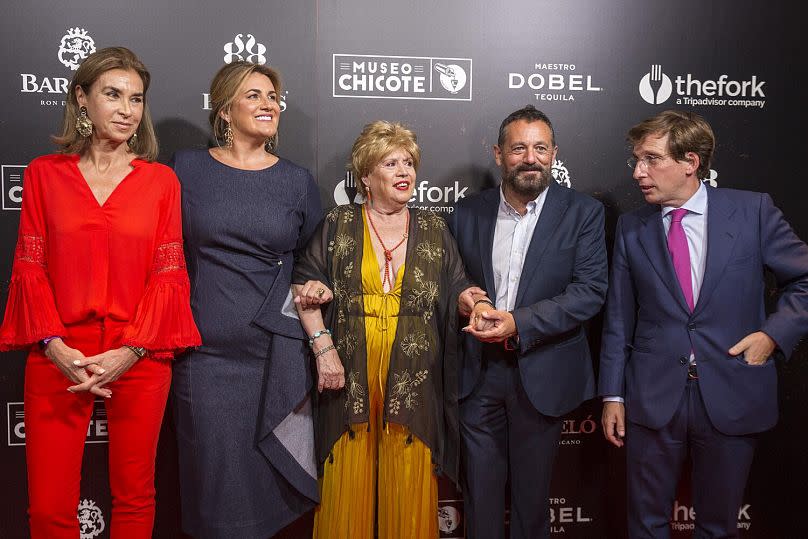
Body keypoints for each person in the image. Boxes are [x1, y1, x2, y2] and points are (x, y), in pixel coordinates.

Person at [0, 47, 201, 538]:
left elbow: (168, 275)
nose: (127, 109)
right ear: (82, 100)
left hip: (140, 352)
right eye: (112, 94)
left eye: (136, 99)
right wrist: (53, 346)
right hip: (58, 351)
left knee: (135, 497)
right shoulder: (44, 174)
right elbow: (30, 267)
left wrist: (131, 351)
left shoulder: (160, 182)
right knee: (48, 509)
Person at [599, 109, 808, 538]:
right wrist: (613, 395)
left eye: (651, 159)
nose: (639, 172)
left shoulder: (753, 212)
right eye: (636, 160)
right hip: (653, 399)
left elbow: (804, 279)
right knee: (645, 526)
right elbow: (619, 318)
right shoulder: (631, 228)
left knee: (718, 527)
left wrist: (772, 335)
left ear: (690, 162)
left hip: (732, 390)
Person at [292, 120, 489, 538]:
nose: (404, 172)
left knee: (409, 473)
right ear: (366, 176)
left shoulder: (433, 227)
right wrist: (321, 342)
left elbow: (456, 283)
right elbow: (304, 286)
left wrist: (476, 301)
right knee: (347, 475)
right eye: (390, 163)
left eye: (409, 163)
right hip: (349, 372)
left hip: (414, 373)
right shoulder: (338, 222)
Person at [170, 61, 322, 539]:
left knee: (270, 485)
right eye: (254, 95)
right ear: (224, 109)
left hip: (277, 354)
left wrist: (316, 290)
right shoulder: (186, 169)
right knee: (215, 488)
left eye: (273, 96)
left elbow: (312, 264)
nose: (269, 104)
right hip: (205, 357)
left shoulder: (297, 181)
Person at [448, 105, 608, 539]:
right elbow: (452, 281)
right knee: (479, 500)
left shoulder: (583, 213)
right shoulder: (466, 213)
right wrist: (470, 302)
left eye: (540, 148)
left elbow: (589, 291)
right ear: (498, 154)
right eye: (519, 148)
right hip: (477, 374)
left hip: (543, 372)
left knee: (532, 503)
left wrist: (516, 323)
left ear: (554, 153)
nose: (530, 158)